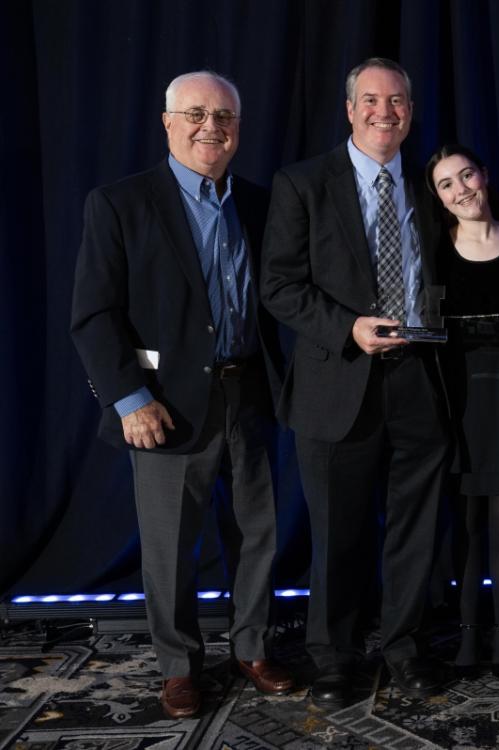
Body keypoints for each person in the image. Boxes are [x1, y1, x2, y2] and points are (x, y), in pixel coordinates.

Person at [69, 71, 294, 719]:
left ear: (239, 128)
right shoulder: (120, 204)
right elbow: (94, 316)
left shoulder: (260, 201)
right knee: (170, 547)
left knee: (260, 533)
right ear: (167, 123)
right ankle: (179, 666)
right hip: (163, 402)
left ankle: (251, 646)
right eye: (195, 113)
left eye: (224, 116)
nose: (211, 126)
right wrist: (129, 398)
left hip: (250, 390)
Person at [260, 58, 448, 705]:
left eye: (397, 101)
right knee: (338, 535)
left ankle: (404, 649)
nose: (384, 113)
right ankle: (334, 658)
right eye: (371, 100)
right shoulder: (303, 183)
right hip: (338, 384)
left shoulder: (430, 185)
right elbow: (279, 286)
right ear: (349, 109)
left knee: (414, 531)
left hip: (420, 382)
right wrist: (348, 328)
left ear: (410, 111)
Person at [426, 144, 499, 677]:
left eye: (466, 175)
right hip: (460, 401)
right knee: (467, 523)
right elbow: (427, 332)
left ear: (485, 176)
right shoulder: (434, 252)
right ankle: (468, 638)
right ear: (440, 199)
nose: (461, 189)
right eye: (447, 184)